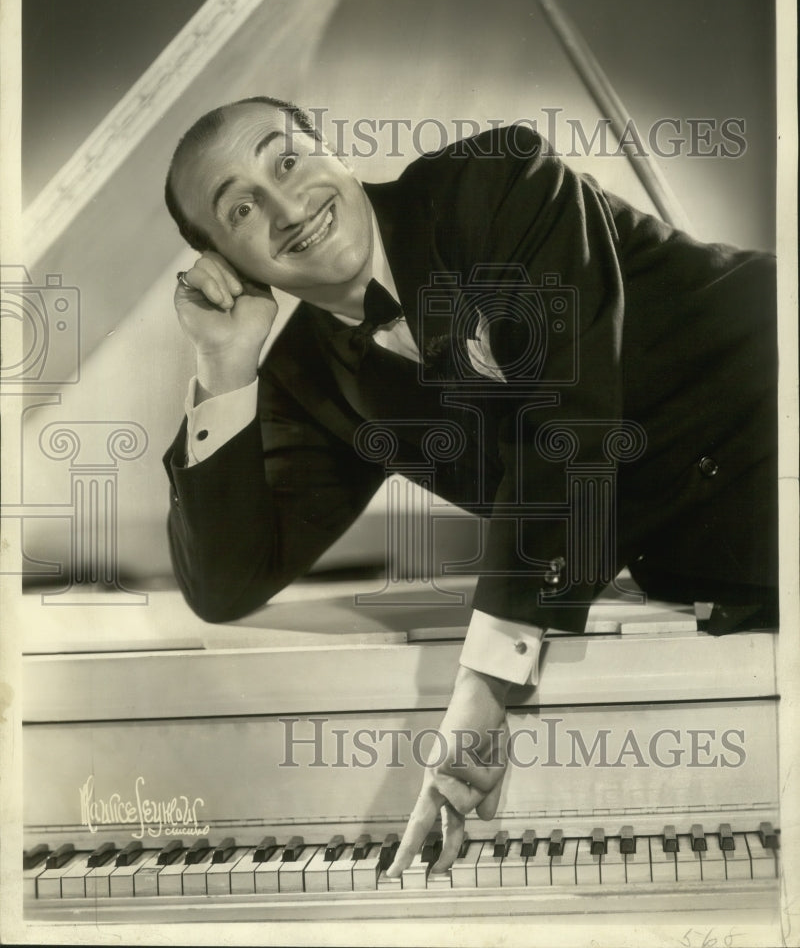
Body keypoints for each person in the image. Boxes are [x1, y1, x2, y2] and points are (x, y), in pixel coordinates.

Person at [162, 96, 778, 877]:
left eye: (288, 160)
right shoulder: (307, 380)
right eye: (242, 208)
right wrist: (224, 368)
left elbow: (570, 428)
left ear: (336, 153)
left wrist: (482, 685)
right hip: (737, 556)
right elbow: (226, 581)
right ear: (228, 261)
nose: (288, 206)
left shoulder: (498, 182)